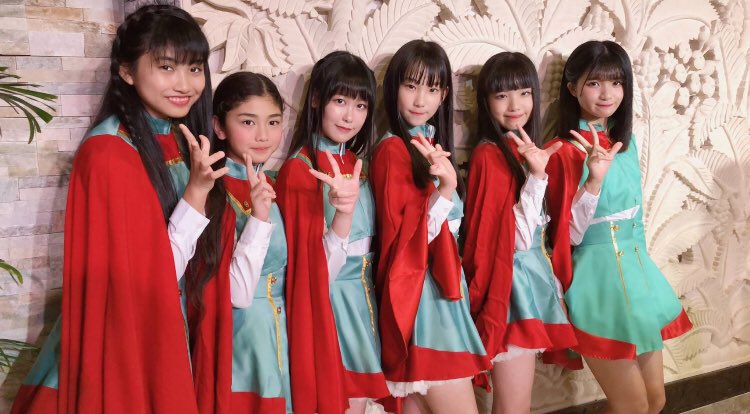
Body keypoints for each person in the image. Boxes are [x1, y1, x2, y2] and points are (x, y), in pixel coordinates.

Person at [11, 4, 226, 413]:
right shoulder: (110, 153)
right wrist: (197, 193)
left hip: (166, 322)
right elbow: (149, 277)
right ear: (127, 71)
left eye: (195, 68)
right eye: (167, 67)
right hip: (128, 337)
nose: (185, 83)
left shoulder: (175, 139)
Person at [545, 40, 692, 414]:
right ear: (572, 87)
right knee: (632, 406)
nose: (607, 93)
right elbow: (565, 236)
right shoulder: (562, 150)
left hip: (638, 277)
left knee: (655, 400)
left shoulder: (626, 143)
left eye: (616, 82)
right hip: (597, 283)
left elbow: (636, 221)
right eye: (594, 83)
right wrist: (593, 181)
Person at [370, 39, 488, 414]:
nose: (421, 99)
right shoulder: (392, 150)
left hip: (439, 292)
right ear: (394, 88)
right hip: (421, 299)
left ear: (444, 95)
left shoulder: (429, 146)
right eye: (411, 85)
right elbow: (409, 240)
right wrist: (447, 189)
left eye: (432, 89)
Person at [462, 52, 576, 414]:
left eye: (524, 93)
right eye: (502, 95)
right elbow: (512, 241)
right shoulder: (489, 155)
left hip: (527, 285)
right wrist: (538, 178)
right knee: (514, 408)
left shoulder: (518, 149)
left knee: (517, 405)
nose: (515, 105)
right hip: (509, 292)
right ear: (485, 101)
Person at [276, 51, 389, 414]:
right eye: (340, 101)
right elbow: (310, 271)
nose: (349, 116)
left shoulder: (357, 164)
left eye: (360, 105)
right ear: (316, 100)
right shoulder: (300, 170)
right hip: (330, 305)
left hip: (365, 299)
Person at [184, 72, 293, 414]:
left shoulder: (276, 182)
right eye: (248, 122)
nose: (263, 135)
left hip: (282, 332)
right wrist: (258, 218)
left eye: (273, 122)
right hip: (241, 339)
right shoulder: (212, 190)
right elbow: (237, 294)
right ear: (219, 127)